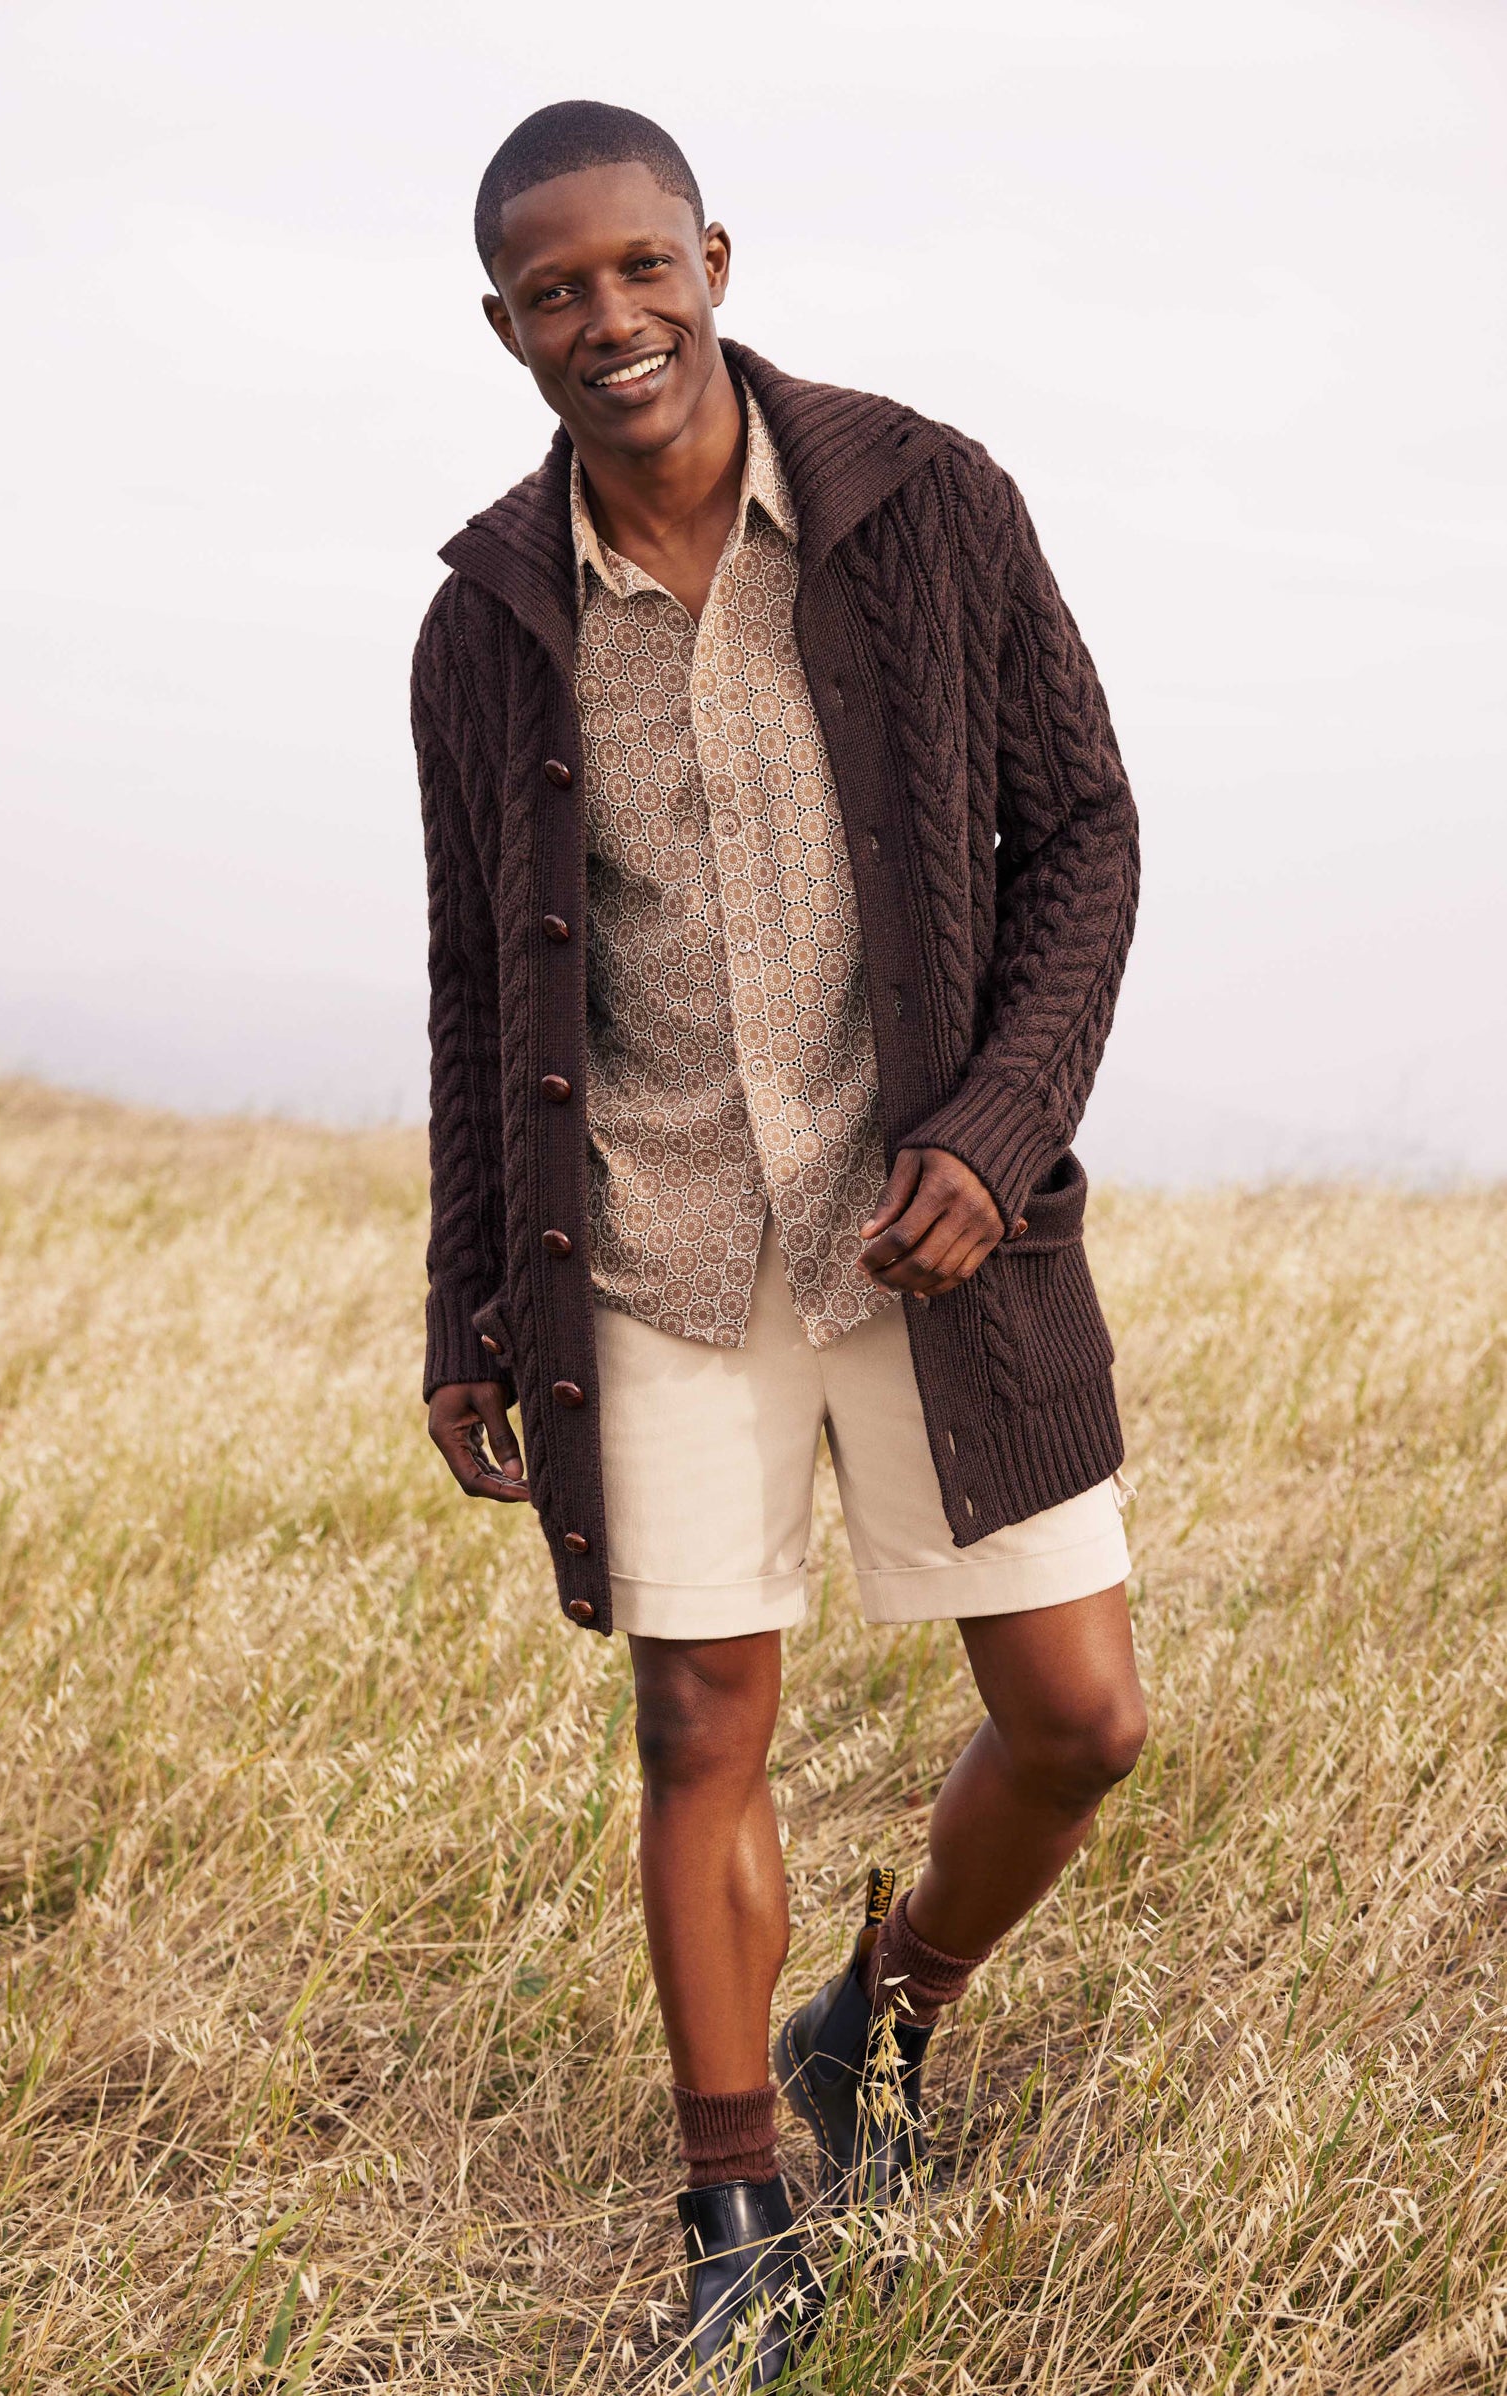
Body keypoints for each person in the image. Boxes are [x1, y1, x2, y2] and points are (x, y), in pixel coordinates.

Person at [414, 99, 1147, 2385]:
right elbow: (478, 977)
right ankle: (733, 2202)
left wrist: (1002, 1126)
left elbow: (1087, 834)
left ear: (712, 256)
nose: (605, 319)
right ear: (502, 324)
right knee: (695, 1718)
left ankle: (882, 2011)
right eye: (554, 291)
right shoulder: (483, 632)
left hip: (938, 1236)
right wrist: (466, 1293)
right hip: (644, 1249)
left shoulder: (927, 504)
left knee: (1081, 1718)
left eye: (638, 267)